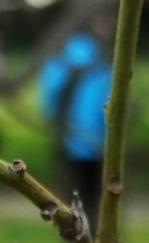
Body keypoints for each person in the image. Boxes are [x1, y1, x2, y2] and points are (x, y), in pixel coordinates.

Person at [38, 32, 111, 232]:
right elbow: (109, 106)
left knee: (68, 201)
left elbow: (47, 106)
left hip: (67, 143)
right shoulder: (102, 69)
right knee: (96, 198)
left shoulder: (56, 66)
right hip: (97, 145)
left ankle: (73, 234)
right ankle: (96, 233)